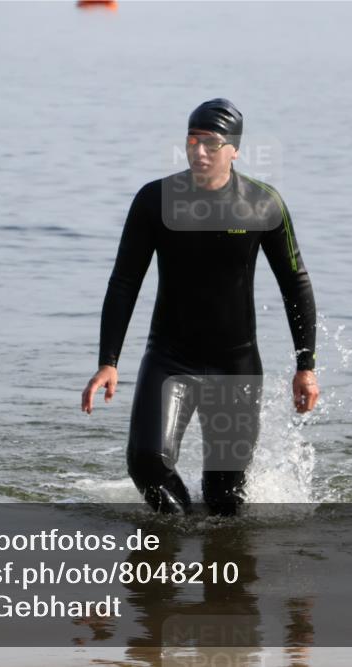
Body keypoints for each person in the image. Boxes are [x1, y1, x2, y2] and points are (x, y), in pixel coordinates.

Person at [81, 98, 319, 516]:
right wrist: (108, 361)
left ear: (234, 149)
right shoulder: (155, 200)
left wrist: (306, 365)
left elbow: (295, 284)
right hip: (170, 358)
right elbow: (123, 282)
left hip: (236, 364)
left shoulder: (262, 205)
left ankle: (219, 567)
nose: (199, 151)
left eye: (210, 142)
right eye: (192, 141)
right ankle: (174, 545)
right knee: (147, 466)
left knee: (225, 498)